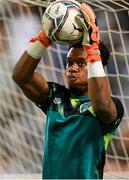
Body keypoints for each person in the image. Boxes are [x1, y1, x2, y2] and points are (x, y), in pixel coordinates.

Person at [12, 2, 124, 179]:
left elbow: (102, 106)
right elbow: (21, 77)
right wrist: (44, 38)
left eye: (81, 63)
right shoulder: (55, 96)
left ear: (97, 67)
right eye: (69, 63)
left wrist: (93, 49)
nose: (72, 68)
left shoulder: (112, 106)